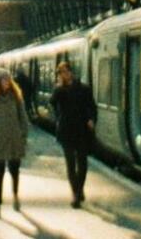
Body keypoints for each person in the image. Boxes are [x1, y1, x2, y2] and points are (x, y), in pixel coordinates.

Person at [0, 67, 30, 217]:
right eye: (3, 80)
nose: (6, 82)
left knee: (15, 171)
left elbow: (23, 117)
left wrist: (23, 134)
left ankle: (15, 196)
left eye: (8, 79)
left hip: (14, 139)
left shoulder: (16, 96)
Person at [51, 60, 97, 207]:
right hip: (66, 131)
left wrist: (91, 119)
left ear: (71, 72)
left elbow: (92, 106)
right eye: (61, 73)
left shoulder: (84, 89)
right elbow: (52, 104)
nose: (64, 75)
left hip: (82, 130)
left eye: (65, 71)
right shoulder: (59, 90)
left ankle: (79, 188)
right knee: (70, 164)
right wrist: (58, 118)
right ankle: (76, 194)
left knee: (82, 163)